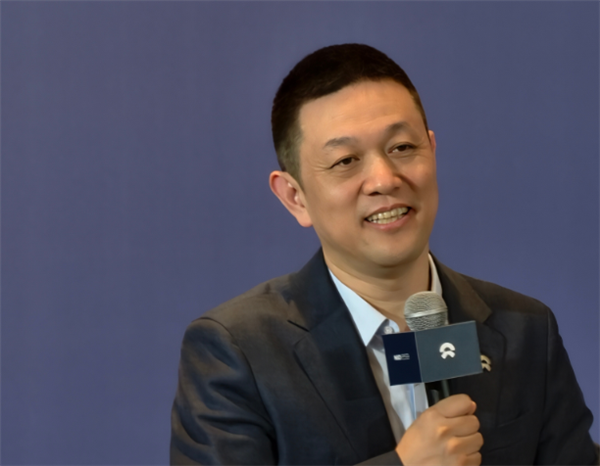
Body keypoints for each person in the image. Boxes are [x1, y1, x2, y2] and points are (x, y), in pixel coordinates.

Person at [170, 44, 598, 466]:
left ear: (432, 151)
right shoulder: (238, 351)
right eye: (345, 161)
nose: (384, 179)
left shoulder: (525, 329)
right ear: (295, 197)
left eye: (402, 148)